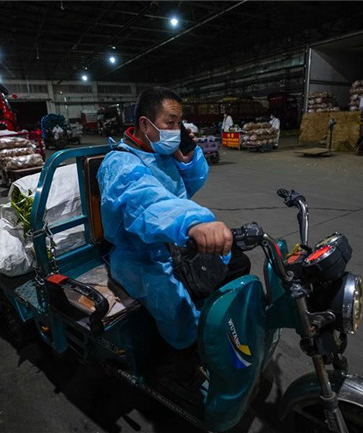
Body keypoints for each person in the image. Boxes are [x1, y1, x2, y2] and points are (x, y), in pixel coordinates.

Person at [97, 87, 250, 352]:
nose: (177, 130)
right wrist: (194, 222)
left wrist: (187, 160)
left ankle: (217, 326)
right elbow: (147, 203)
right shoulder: (119, 163)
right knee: (179, 311)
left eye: (179, 123)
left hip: (175, 244)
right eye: (170, 122)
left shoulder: (160, 155)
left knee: (237, 263)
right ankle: (184, 356)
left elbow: (186, 189)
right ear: (145, 124)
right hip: (142, 256)